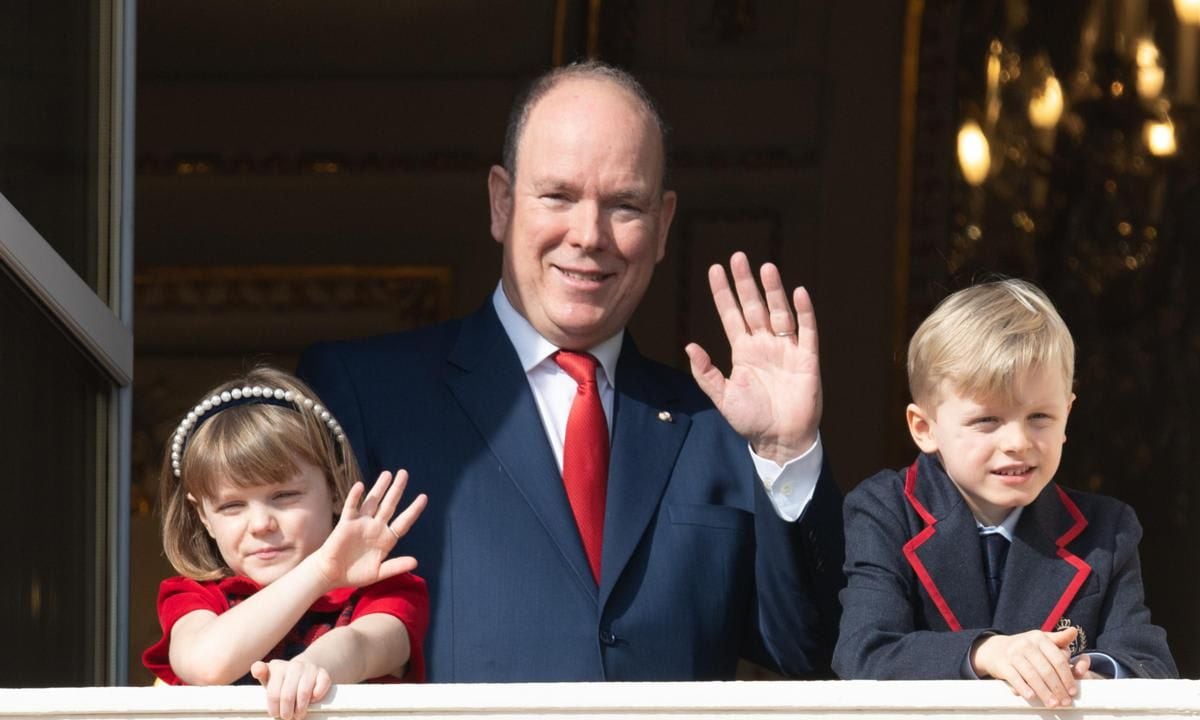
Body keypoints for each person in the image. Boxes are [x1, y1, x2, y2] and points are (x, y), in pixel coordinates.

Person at [297, 61, 844, 682]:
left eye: (625, 205)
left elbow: (812, 650)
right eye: (558, 196)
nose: (589, 235)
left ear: (664, 226)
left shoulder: (719, 427)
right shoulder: (367, 394)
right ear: (501, 203)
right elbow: (279, 626)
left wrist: (785, 452)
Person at [833, 279, 1177, 705]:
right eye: (987, 421)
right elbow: (864, 654)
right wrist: (985, 652)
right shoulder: (885, 509)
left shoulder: (1108, 529)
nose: (1017, 441)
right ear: (924, 428)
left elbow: (1148, 662)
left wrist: (1100, 678)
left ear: (1067, 414)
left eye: (1039, 416)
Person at [143, 367, 430, 720]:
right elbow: (207, 663)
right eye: (232, 506)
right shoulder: (194, 597)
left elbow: (361, 645)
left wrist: (310, 668)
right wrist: (321, 572)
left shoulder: (385, 591)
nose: (262, 524)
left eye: (285, 496)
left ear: (337, 489)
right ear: (203, 516)